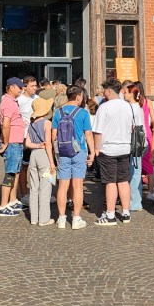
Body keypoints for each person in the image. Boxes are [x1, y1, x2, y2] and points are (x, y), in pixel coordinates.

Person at [46, 85, 94, 229]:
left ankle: (61, 219)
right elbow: (88, 134)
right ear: (78, 96)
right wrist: (92, 152)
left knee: (62, 186)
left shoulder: (58, 112)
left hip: (63, 152)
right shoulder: (83, 113)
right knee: (78, 185)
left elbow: (54, 134)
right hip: (79, 151)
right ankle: (76, 219)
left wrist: (56, 152)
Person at [93, 79, 137, 226]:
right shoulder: (128, 106)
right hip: (125, 147)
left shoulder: (104, 107)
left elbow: (98, 131)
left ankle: (110, 215)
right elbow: (132, 127)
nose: (103, 93)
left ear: (109, 91)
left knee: (110, 182)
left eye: (104, 90)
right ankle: (126, 212)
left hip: (108, 148)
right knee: (123, 181)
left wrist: (96, 148)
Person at [25, 96, 56, 227]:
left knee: (33, 188)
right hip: (44, 157)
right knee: (45, 188)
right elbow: (48, 144)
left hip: (33, 155)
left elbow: (27, 143)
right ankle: (43, 219)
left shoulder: (31, 124)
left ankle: (34, 218)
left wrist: (37, 146)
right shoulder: (47, 123)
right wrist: (52, 163)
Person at [0, 77, 26, 218]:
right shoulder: (8, 103)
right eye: (19, 87)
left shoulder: (12, 101)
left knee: (16, 172)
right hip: (12, 144)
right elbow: (6, 124)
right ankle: (3, 206)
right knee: (10, 173)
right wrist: (6, 143)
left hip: (16, 143)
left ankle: (12, 200)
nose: (21, 90)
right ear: (11, 87)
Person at [121, 81, 147, 211]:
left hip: (135, 142)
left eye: (126, 92)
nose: (124, 94)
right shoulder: (138, 106)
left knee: (134, 172)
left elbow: (132, 126)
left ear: (131, 94)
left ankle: (135, 202)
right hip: (140, 142)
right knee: (135, 171)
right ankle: (134, 200)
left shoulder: (132, 107)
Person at [17, 75, 39, 201]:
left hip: (38, 137)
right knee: (24, 166)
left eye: (36, 85)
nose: (35, 88)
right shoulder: (19, 100)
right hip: (24, 137)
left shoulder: (38, 99)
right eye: (32, 86)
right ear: (25, 87)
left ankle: (43, 192)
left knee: (42, 166)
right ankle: (24, 194)